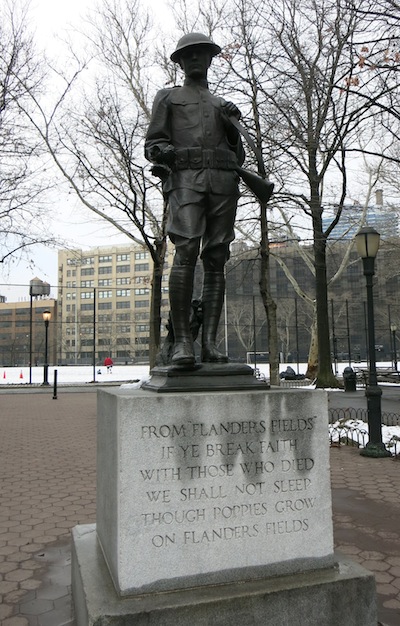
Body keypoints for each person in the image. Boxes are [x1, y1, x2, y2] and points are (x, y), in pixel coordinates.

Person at [145, 32, 245, 368]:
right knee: (187, 249)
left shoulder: (222, 105)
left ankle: (210, 344)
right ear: (180, 62)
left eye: (202, 54)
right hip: (185, 180)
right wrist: (165, 153)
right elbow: (153, 144)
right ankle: (182, 343)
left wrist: (232, 125)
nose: (195, 60)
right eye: (188, 56)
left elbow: (239, 154)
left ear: (211, 58)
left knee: (216, 257)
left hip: (223, 182)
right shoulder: (168, 97)